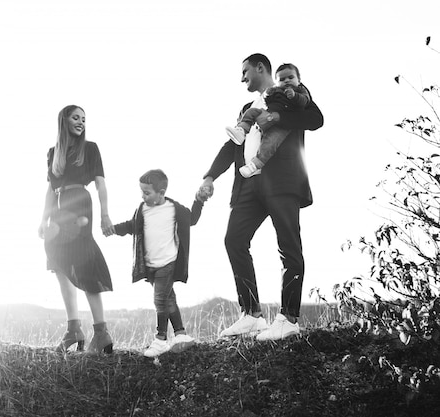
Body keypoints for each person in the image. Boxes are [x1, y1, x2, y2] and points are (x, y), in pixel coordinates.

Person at [198, 53, 324, 341]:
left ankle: (289, 318)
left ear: (260, 68)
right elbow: (232, 145)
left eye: (245, 71)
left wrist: (279, 116)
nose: (242, 78)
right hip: (249, 186)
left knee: (288, 247)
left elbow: (316, 119)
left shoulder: (290, 94)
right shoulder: (247, 108)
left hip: (282, 182)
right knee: (234, 240)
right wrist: (209, 176)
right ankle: (252, 314)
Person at [38, 105, 115, 354]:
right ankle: (74, 329)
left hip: (80, 203)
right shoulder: (53, 153)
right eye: (76, 117)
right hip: (59, 208)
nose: (81, 122)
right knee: (59, 263)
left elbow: (101, 184)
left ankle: (101, 331)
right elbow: (51, 190)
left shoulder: (90, 148)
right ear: (64, 121)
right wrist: (44, 219)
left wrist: (104, 214)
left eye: (83, 118)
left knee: (83, 262)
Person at [109, 169, 209, 357]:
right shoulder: (142, 210)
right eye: (141, 192)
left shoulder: (174, 209)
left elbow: (192, 219)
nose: (143, 196)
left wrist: (199, 200)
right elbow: (132, 226)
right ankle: (180, 334)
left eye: (147, 193)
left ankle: (160, 339)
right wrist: (114, 229)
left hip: (169, 262)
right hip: (150, 266)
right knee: (169, 299)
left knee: (160, 300)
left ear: (161, 193)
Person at [226, 63, 312, 178]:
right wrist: (268, 94)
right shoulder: (277, 90)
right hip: (267, 114)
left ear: (299, 80)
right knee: (251, 112)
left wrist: (295, 96)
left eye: (290, 78)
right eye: (282, 79)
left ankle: (255, 165)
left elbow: (305, 101)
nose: (287, 81)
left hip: (281, 125)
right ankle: (241, 131)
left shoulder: (300, 90)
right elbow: (268, 102)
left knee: (270, 142)